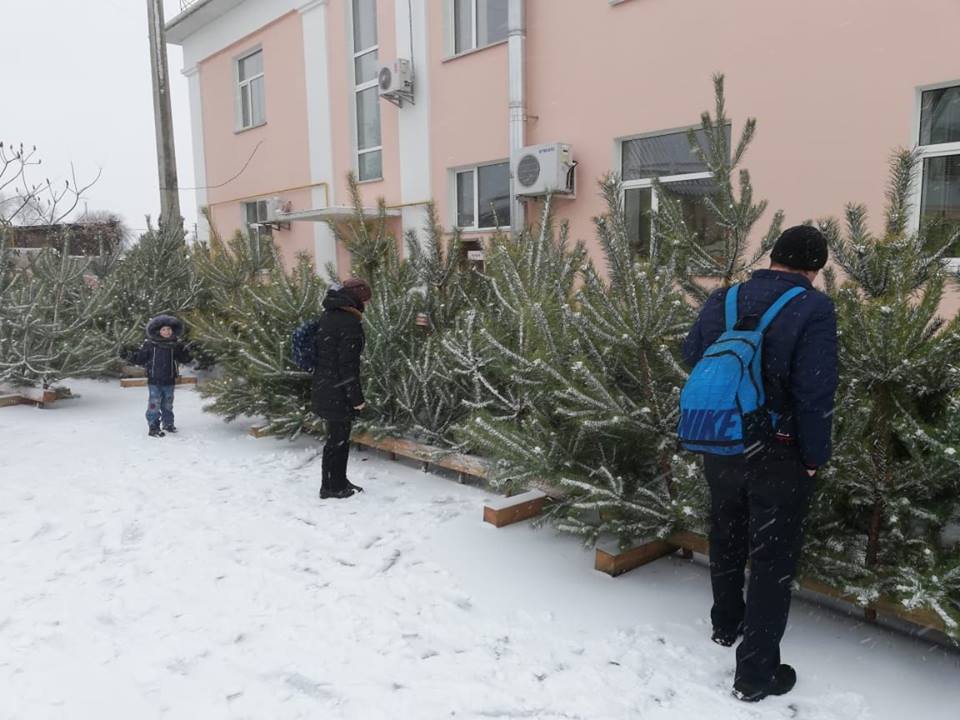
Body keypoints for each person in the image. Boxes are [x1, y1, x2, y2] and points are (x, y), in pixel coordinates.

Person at [681, 225, 838, 702]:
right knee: (772, 557)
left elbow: (692, 354)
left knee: (726, 532)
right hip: (778, 450)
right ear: (814, 269)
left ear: (774, 256)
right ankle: (755, 674)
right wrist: (814, 456)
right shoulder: (812, 308)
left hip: (721, 442)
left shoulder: (723, 299)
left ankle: (725, 624)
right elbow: (815, 390)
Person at [311, 278, 372, 500]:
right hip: (338, 391)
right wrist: (356, 398)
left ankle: (334, 480)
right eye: (366, 300)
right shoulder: (349, 322)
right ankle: (333, 487)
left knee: (334, 440)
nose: (367, 305)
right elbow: (348, 365)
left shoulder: (329, 314)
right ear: (357, 299)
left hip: (325, 385)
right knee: (338, 440)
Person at [125, 314, 193, 437]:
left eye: (169, 329)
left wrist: (188, 352)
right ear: (158, 331)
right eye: (163, 329)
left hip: (169, 380)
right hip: (154, 381)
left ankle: (168, 424)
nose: (167, 332)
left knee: (168, 404)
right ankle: (153, 426)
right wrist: (129, 356)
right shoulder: (150, 345)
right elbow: (140, 358)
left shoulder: (175, 345)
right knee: (154, 404)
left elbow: (184, 358)